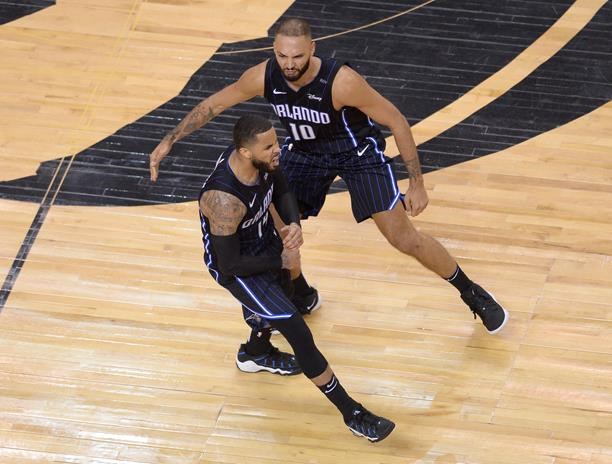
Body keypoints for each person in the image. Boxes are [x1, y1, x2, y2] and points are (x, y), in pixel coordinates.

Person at [152, 18, 509, 334]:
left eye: (297, 56)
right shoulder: (263, 76)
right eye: (282, 56)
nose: (290, 65)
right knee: (275, 225)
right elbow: (214, 103)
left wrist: (416, 182)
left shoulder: (342, 82)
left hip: (356, 156)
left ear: (312, 48)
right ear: (273, 51)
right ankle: (301, 292)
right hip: (306, 154)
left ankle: (470, 291)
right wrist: (169, 140)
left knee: (403, 238)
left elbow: (396, 120)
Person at [200, 114, 394, 442]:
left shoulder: (262, 161)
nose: (278, 150)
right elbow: (229, 263)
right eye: (269, 146)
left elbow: (283, 186)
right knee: (296, 328)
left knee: (285, 296)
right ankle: (352, 413)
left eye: (275, 142)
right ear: (246, 153)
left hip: (263, 243)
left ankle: (255, 353)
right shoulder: (223, 199)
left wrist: (292, 224)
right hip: (239, 268)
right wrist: (282, 257)